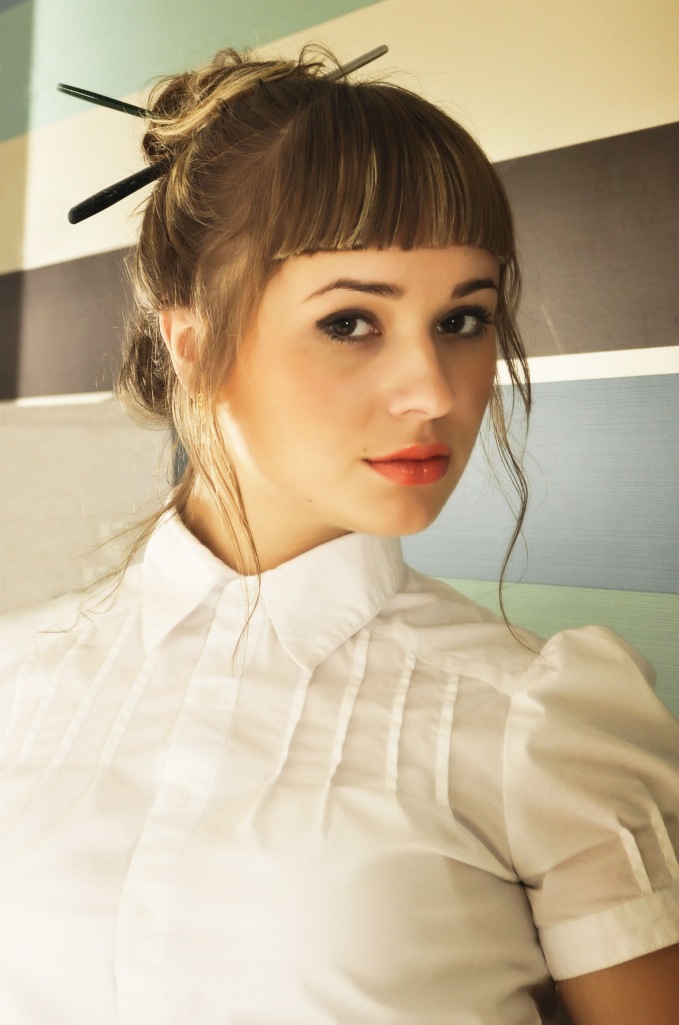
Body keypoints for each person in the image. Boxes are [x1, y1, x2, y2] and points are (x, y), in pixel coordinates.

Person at [1, 44, 678, 1025]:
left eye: (462, 320)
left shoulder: (541, 723)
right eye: (351, 322)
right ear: (193, 343)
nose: (432, 391)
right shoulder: (17, 676)